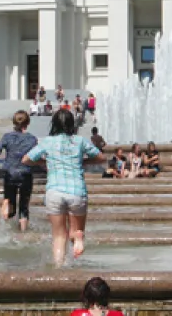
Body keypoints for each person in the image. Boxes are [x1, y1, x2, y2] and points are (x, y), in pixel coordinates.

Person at [23, 108, 107, 265]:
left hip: (54, 192)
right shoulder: (80, 141)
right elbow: (102, 157)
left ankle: (59, 268)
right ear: (71, 124)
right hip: (77, 192)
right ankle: (78, 238)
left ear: (54, 124)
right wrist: (84, 161)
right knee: (76, 231)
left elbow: (26, 160)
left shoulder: (48, 142)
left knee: (59, 236)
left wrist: (44, 162)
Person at [0, 110, 38, 231]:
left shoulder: (7, 137)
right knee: (24, 207)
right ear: (28, 123)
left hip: (10, 174)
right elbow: (36, 157)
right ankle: (23, 233)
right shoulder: (32, 139)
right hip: (25, 174)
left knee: (9, 201)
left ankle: (4, 228)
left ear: (14, 122)